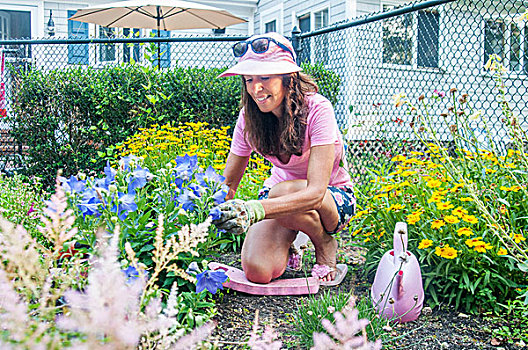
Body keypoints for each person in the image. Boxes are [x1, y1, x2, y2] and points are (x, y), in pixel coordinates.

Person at [213, 32, 355, 285]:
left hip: (331, 200)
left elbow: (315, 192)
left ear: (289, 77)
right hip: (278, 198)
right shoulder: (248, 118)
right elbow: (229, 184)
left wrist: (255, 209)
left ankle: (323, 242)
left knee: (283, 191)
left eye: (265, 77)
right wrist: (206, 214)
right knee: (258, 271)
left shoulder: (318, 109)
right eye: (249, 79)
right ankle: (292, 240)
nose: (256, 88)